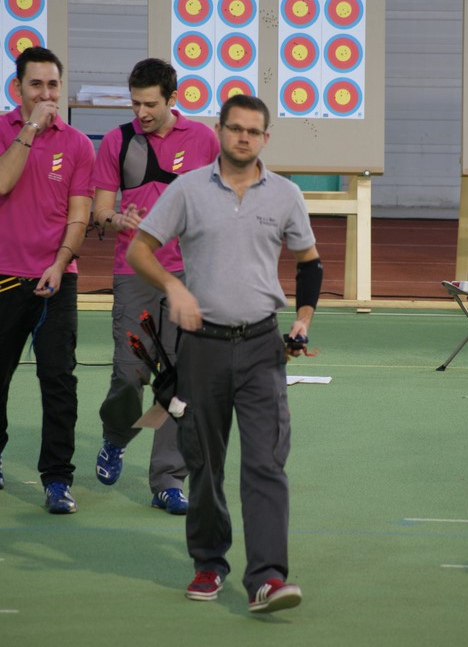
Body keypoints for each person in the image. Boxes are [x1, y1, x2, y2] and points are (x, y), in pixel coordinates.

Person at [126, 94, 322, 613]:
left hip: (262, 346)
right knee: (204, 465)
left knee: (265, 462)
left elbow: (309, 262)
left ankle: (268, 579)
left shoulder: (285, 195)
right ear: (220, 131)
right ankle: (209, 564)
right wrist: (174, 287)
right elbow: (138, 250)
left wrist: (303, 318)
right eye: (234, 129)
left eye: (252, 131)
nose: (243, 138)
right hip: (202, 350)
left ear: (265, 138)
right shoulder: (188, 190)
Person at [92, 58, 219, 514]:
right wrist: (115, 217)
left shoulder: (205, 139)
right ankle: (115, 436)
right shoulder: (117, 141)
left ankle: (167, 480)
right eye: (135, 103)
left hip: (189, 277)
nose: (140, 112)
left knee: (179, 382)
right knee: (130, 375)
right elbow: (101, 208)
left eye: (149, 104)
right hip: (135, 275)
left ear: (172, 99)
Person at [0, 46, 95, 513]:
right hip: (3, 277)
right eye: (36, 84)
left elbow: (79, 215)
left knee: (59, 380)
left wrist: (60, 263)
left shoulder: (78, 144)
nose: (46, 93)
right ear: (17, 88)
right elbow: (1, 183)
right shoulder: (2, 131)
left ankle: (57, 479)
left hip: (58, 277)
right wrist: (32, 127)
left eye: (53, 84)